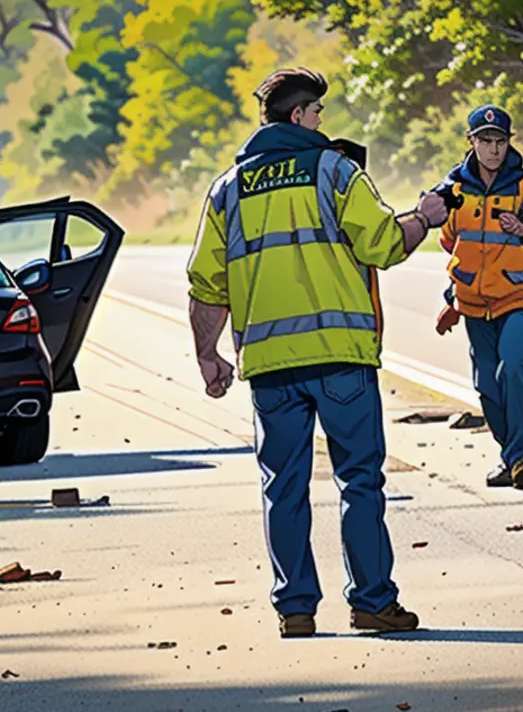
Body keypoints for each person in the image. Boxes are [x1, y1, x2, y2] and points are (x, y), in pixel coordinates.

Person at [186, 67, 448, 638]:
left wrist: (208, 355)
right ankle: (374, 604)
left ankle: (296, 610)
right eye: (318, 113)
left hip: (271, 369)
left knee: (283, 488)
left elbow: (207, 284)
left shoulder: (227, 188)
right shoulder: (335, 170)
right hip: (340, 360)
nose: (322, 121)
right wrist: (424, 218)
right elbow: (382, 244)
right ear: (301, 116)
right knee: (359, 482)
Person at [433, 105, 523, 490]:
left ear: (509, 144)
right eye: (485, 140)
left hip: (519, 296)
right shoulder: (454, 192)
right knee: (487, 386)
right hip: (475, 304)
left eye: (501, 141)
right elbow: (455, 248)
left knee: (515, 362)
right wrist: (452, 301)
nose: (493, 149)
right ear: (471, 142)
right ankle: (513, 458)